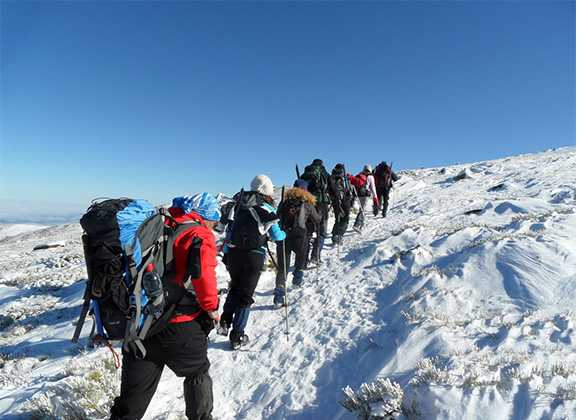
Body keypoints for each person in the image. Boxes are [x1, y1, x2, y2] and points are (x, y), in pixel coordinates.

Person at [110, 193, 221, 420]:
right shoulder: (199, 233)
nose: (214, 226)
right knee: (197, 372)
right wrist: (212, 308)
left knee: (132, 400)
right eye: (214, 220)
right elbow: (204, 279)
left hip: (140, 323)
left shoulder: (161, 222)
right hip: (180, 325)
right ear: (205, 216)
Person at [219, 175, 286, 349]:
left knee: (235, 287)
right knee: (246, 295)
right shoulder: (266, 209)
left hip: (233, 253)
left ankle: (225, 322)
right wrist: (284, 233)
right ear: (267, 191)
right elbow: (278, 236)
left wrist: (226, 252)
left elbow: (230, 231)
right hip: (253, 256)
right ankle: (237, 336)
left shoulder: (239, 205)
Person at [274, 179, 321, 307]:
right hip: (300, 236)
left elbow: (276, 217)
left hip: (284, 237)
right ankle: (297, 279)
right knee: (301, 260)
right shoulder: (307, 203)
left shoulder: (284, 203)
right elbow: (317, 219)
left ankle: (278, 297)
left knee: (283, 268)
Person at [299, 158, 330, 265]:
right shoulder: (323, 171)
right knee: (321, 231)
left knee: (308, 231)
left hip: (307, 202)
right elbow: (330, 186)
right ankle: (316, 255)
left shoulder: (305, 173)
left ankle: (304, 258)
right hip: (321, 203)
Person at [328, 163, 354, 245]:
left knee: (339, 217)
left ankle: (336, 235)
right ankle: (338, 235)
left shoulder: (336, 177)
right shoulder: (337, 177)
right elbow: (336, 190)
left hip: (340, 200)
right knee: (343, 218)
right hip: (342, 200)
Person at [348, 164, 378, 232]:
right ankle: (357, 225)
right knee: (362, 210)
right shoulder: (370, 177)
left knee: (362, 209)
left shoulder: (359, 175)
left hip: (358, 194)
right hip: (365, 195)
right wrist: (375, 199)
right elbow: (373, 188)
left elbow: (353, 183)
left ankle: (361, 224)